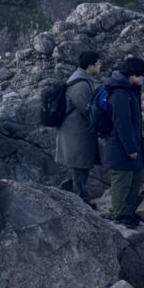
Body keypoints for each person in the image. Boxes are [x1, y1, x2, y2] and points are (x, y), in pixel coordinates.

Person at [104, 56, 144, 228]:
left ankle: (128, 212)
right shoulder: (120, 94)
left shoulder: (129, 91)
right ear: (133, 75)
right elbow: (122, 124)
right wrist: (130, 148)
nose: (143, 78)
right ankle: (121, 214)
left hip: (131, 144)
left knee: (134, 179)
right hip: (120, 147)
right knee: (122, 181)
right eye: (141, 75)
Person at [54, 51, 100, 202]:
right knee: (79, 169)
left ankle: (67, 196)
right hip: (76, 134)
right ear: (90, 66)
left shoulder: (82, 79)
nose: (100, 66)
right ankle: (80, 200)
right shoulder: (80, 84)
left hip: (77, 133)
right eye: (98, 63)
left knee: (79, 169)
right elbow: (87, 109)